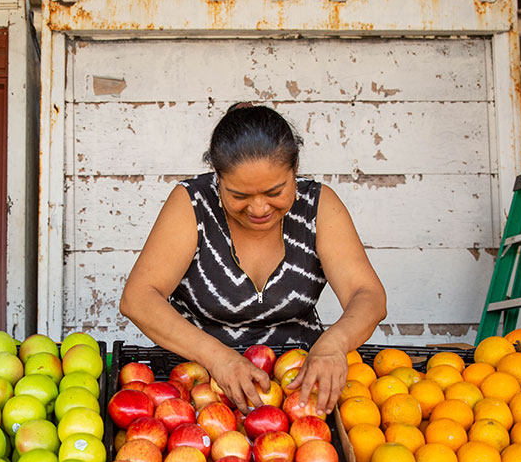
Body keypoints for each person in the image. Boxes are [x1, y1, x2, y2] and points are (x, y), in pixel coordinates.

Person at [119, 103, 387, 414]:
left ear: (294, 170)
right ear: (217, 178)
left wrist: (333, 345)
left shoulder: (317, 204)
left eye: (275, 192)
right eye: (240, 196)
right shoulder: (194, 203)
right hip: (197, 394)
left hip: (299, 390)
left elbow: (367, 295)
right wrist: (217, 357)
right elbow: (137, 298)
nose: (259, 208)